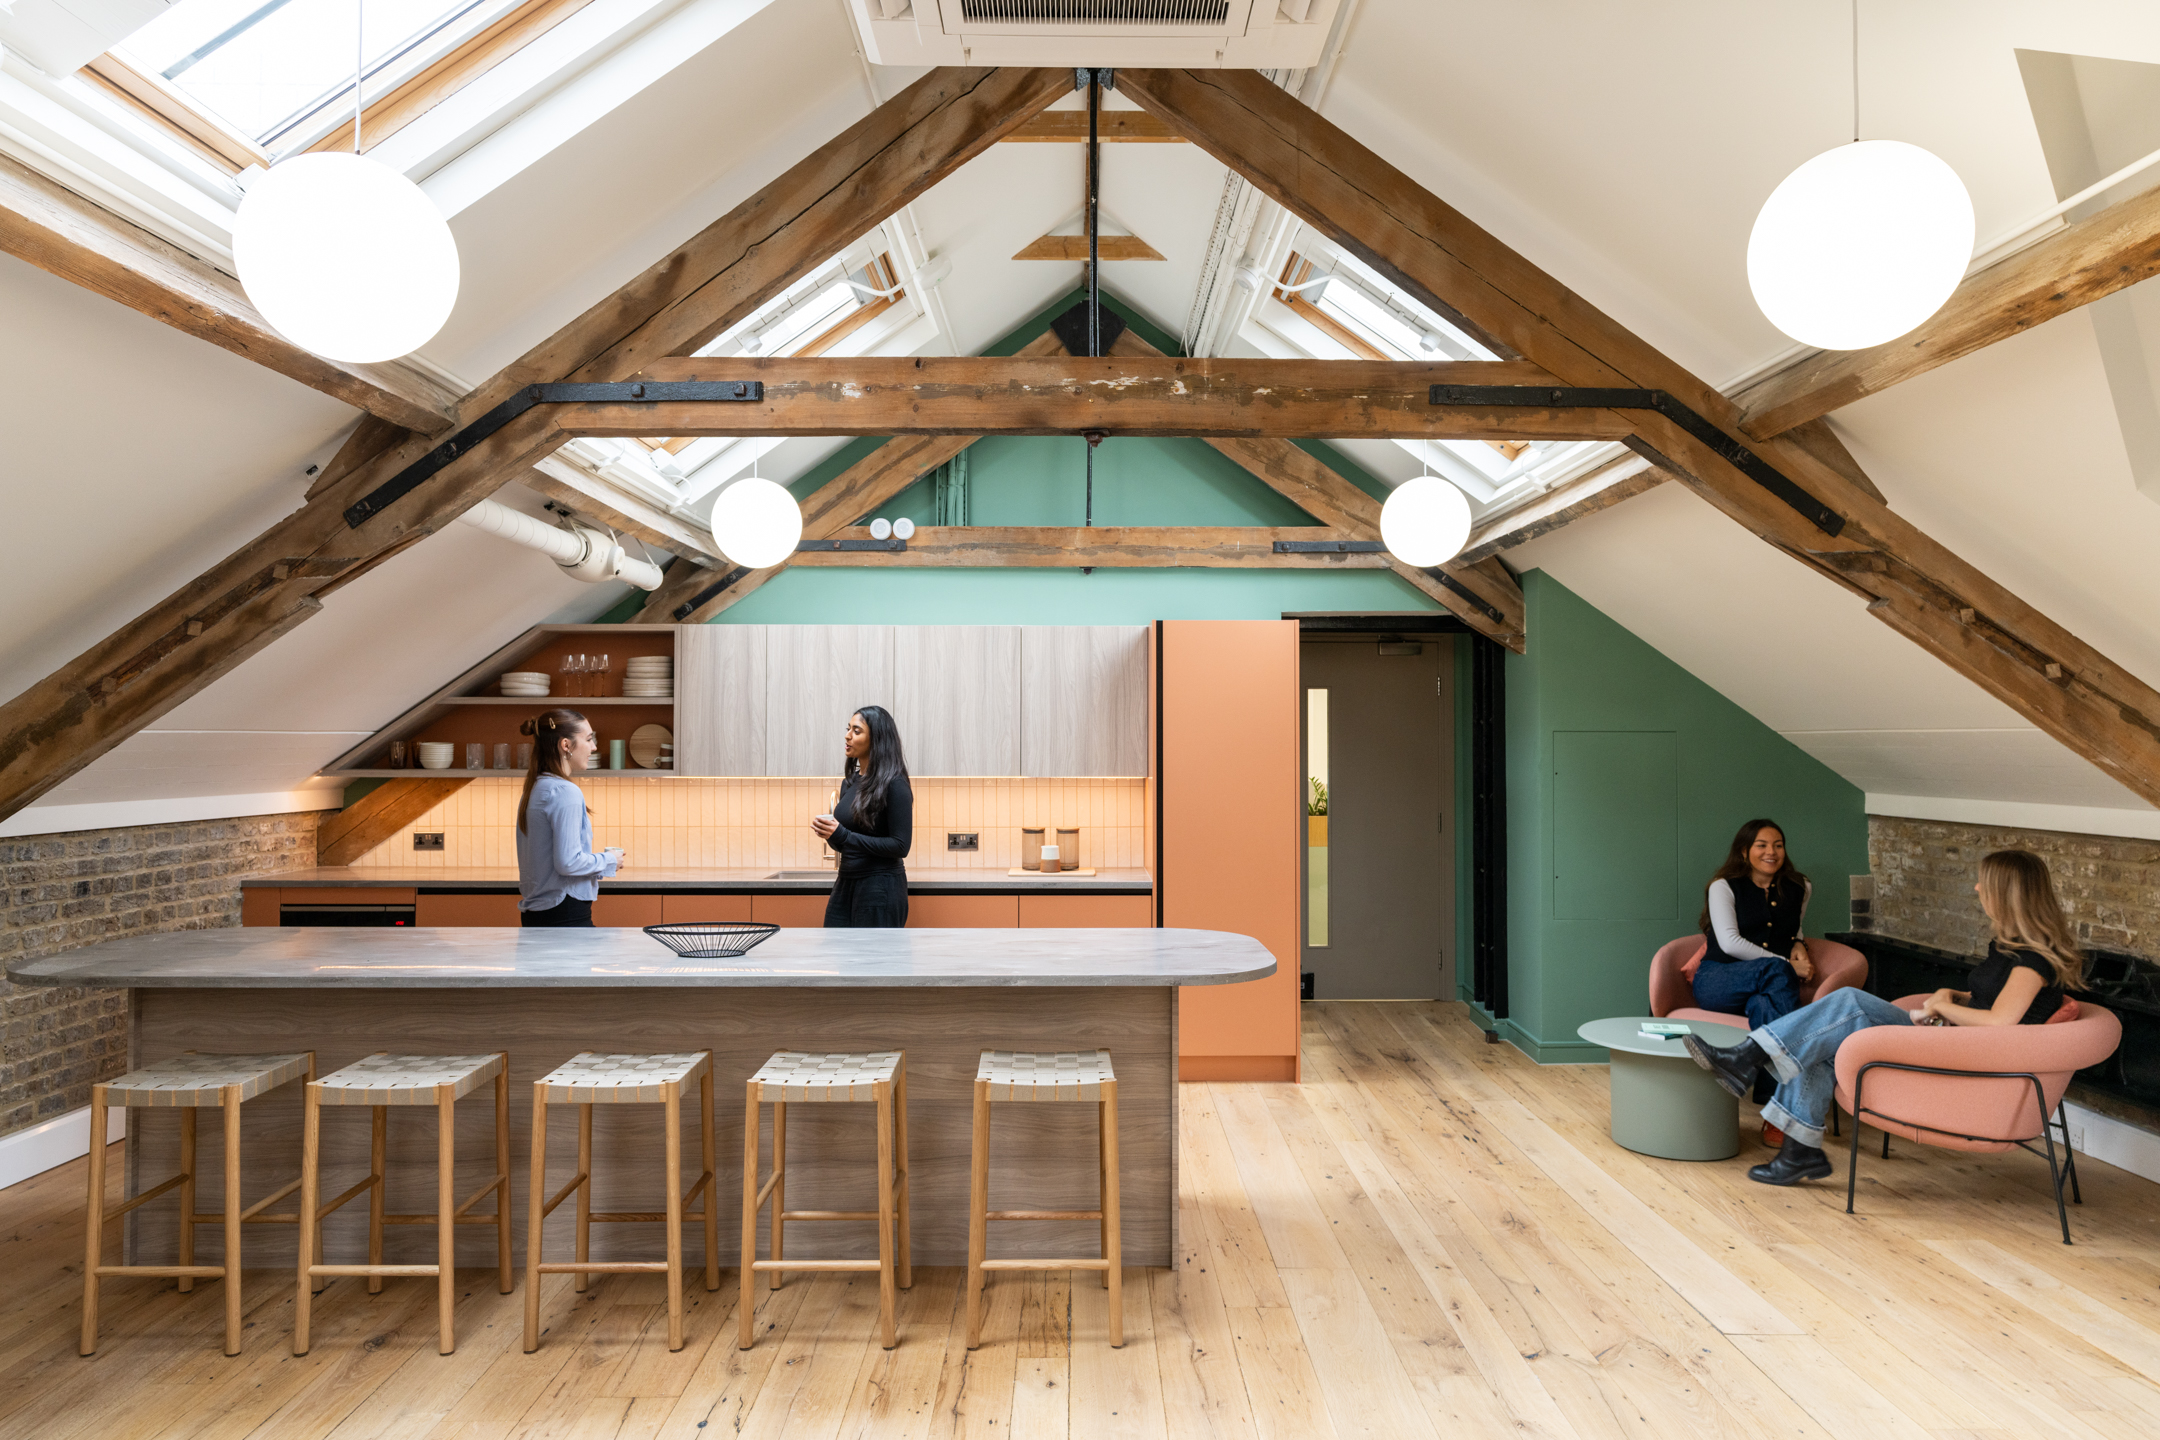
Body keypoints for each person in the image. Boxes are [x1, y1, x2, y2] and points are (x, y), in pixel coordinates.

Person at [1686, 848, 2085, 1186]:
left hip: (1968, 1056)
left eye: (1985, 882)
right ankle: (1797, 1151)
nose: (1978, 888)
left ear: (2008, 892)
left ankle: (1746, 1057)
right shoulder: (2009, 946)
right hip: (1954, 1039)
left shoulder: (2034, 959)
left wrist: (1943, 1008)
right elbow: (1992, 1001)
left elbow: (2002, 1023)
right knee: (1827, 1038)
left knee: (1849, 1003)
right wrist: (1953, 995)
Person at [1693, 819, 1815, 1031]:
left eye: (1778, 845)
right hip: (1718, 980)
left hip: (1767, 987)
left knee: (1762, 1005)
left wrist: (1799, 942)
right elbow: (1730, 943)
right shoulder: (1723, 886)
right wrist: (1787, 963)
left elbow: (1795, 925)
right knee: (1776, 970)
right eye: (1761, 845)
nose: (1772, 852)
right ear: (1744, 851)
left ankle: (1755, 1062)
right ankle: (1802, 1049)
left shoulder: (1800, 886)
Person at [514, 709, 622, 927]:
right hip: (564, 911)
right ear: (566, 745)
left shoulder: (536, 787)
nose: (594, 747)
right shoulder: (564, 791)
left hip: (539, 912)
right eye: (589, 739)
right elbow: (568, 863)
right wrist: (610, 859)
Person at [812, 706, 913, 928]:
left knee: (873, 961)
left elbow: (900, 846)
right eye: (848, 729)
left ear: (877, 739)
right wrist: (832, 834)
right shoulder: (850, 782)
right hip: (846, 883)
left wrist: (844, 836)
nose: (848, 735)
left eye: (857, 731)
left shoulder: (895, 784)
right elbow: (848, 842)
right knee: (837, 956)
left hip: (880, 888)